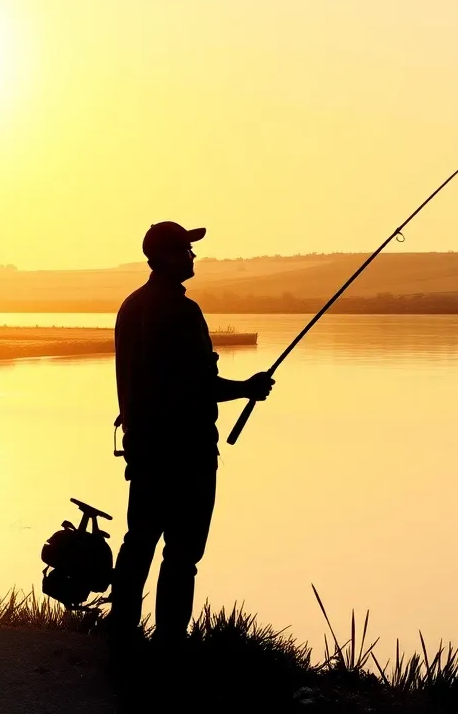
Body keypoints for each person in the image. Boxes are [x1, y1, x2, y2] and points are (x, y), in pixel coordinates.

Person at [108, 221, 273, 646]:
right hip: (187, 454)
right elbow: (197, 384)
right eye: (185, 249)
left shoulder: (130, 306)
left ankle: (121, 635)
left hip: (143, 451)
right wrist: (247, 388)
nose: (193, 256)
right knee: (182, 555)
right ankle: (169, 645)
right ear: (166, 257)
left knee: (138, 542)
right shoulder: (182, 312)